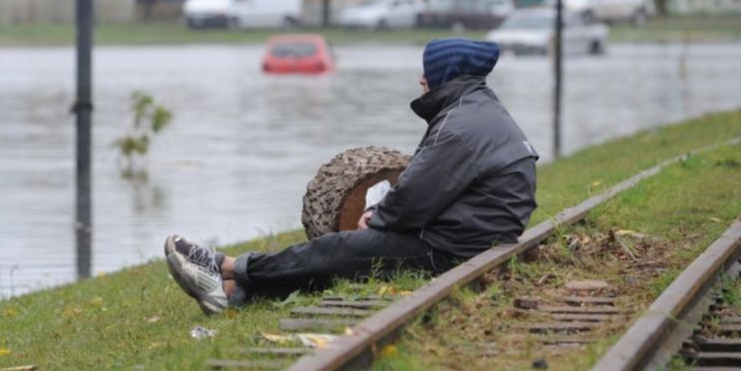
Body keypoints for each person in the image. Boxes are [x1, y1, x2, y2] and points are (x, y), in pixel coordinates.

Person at [165, 38, 539, 315]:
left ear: (445, 74)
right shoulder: (477, 111)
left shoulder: (459, 126)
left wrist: (379, 217)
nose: (421, 79)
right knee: (347, 257)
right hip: (473, 237)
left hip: (456, 249)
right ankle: (233, 292)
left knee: (342, 250)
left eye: (428, 71)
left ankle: (226, 267)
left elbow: (415, 197)